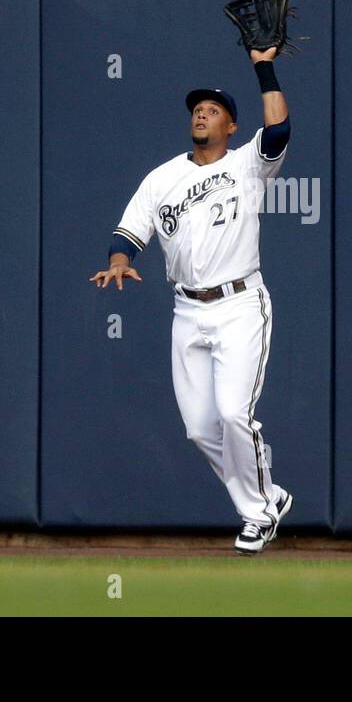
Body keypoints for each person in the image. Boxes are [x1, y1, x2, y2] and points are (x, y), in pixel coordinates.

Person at [90, 47, 293, 554]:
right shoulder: (162, 178)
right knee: (201, 429)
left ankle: (257, 513)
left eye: (214, 109)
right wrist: (118, 261)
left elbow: (279, 131)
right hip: (187, 310)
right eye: (197, 108)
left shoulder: (248, 164)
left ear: (230, 126)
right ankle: (268, 495)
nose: (202, 112)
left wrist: (263, 67)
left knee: (233, 414)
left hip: (240, 304)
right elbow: (129, 231)